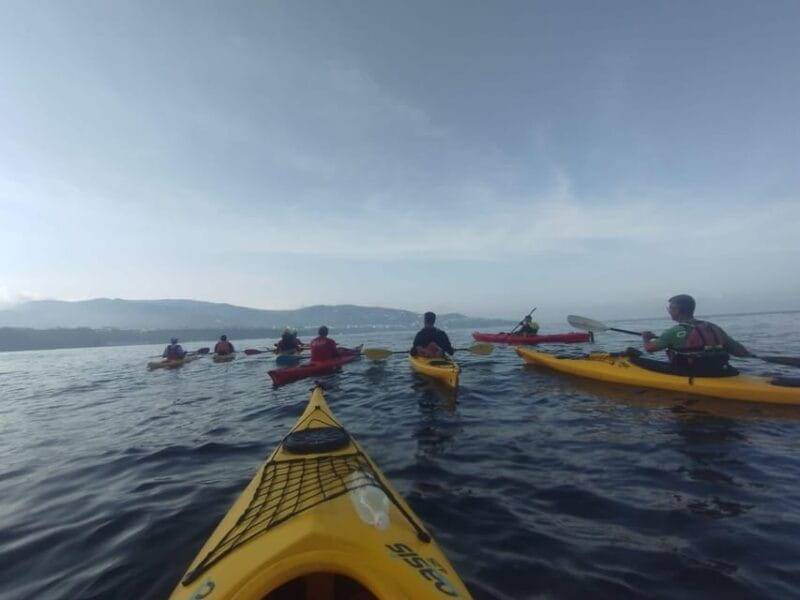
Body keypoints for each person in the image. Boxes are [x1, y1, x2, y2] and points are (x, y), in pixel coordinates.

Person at [641, 294, 752, 373]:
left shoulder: (674, 331)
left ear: (677, 310)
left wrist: (646, 338)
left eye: (669, 308)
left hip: (691, 373)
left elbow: (649, 348)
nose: (669, 311)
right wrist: (752, 356)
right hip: (719, 371)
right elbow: (740, 351)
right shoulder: (713, 327)